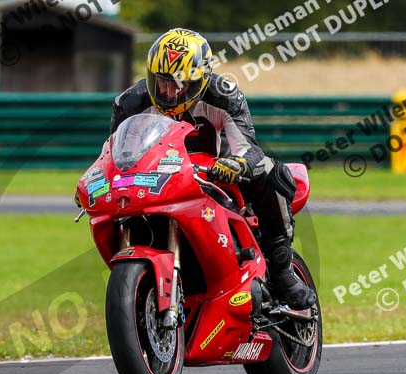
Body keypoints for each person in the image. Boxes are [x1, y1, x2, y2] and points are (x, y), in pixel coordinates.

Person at [109, 28, 316, 310]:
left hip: (219, 176)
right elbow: (115, 154)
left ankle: (282, 272)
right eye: (161, 82)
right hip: (159, 180)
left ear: (200, 79)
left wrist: (237, 163)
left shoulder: (224, 96)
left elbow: (248, 147)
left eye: (179, 85)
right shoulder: (130, 103)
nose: (169, 92)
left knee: (271, 171)